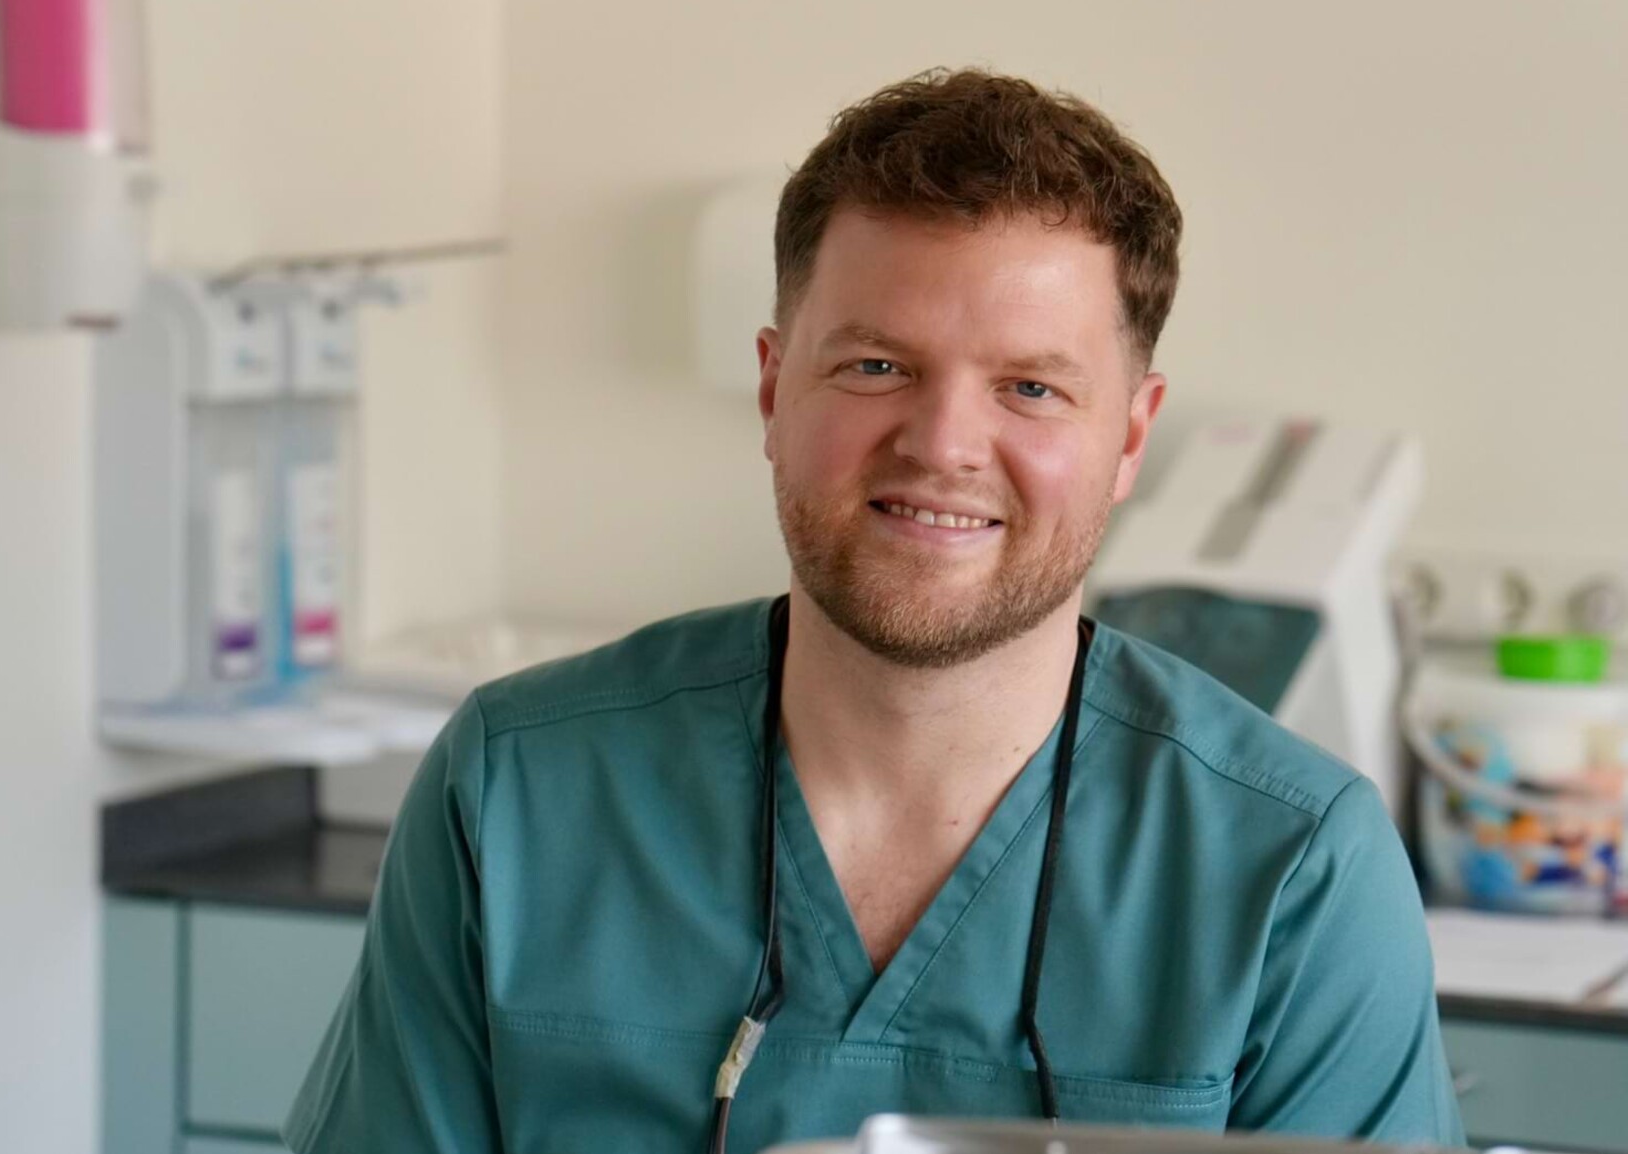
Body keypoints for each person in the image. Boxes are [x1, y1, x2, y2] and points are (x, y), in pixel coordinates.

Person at [285, 68, 1464, 1154]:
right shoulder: (518, 791)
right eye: (875, 367)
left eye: (1032, 387)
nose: (944, 443)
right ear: (772, 386)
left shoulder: (1293, 867)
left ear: (1131, 438)